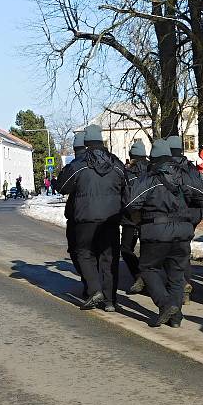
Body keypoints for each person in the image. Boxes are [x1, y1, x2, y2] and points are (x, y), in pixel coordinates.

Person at [124, 140, 203, 327]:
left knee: (148, 269)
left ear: (153, 159)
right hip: (182, 231)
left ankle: (166, 304)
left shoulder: (149, 179)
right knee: (176, 275)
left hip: (156, 231)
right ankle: (176, 317)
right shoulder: (185, 177)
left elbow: (131, 202)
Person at [54, 124, 126, 311]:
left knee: (84, 253)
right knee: (109, 258)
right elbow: (127, 187)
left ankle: (95, 290)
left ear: (86, 143)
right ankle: (110, 301)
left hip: (85, 218)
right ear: (101, 141)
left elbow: (63, 187)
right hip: (111, 218)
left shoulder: (79, 165)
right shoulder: (116, 164)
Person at [167, 134, 203, 303]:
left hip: (174, 215)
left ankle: (180, 284)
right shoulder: (190, 168)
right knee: (184, 250)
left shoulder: (166, 168)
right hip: (191, 215)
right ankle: (185, 283)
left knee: (172, 252)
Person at [57, 131, 88, 296]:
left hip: (78, 216)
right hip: (106, 215)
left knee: (78, 251)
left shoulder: (75, 166)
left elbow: (63, 188)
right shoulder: (105, 163)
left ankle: (90, 284)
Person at [122, 140, 149, 294]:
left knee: (126, 249)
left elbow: (124, 195)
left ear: (131, 155)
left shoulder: (127, 173)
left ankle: (139, 276)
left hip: (131, 218)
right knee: (147, 250)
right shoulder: (152, 170)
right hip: (148, 218)